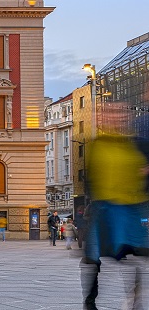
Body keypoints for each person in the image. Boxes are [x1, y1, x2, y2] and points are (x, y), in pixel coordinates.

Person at [80, 101, 149, 310]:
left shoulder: (139, 143)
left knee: (136, 253)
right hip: (104, 209)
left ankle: (135, 296)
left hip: (131, 207)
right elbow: (90, 179)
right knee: (93, 259)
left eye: (119, 112)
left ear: (127, 116)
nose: (115, 116)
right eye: (110, 112)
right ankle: (90, 301)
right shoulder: (97, 144)